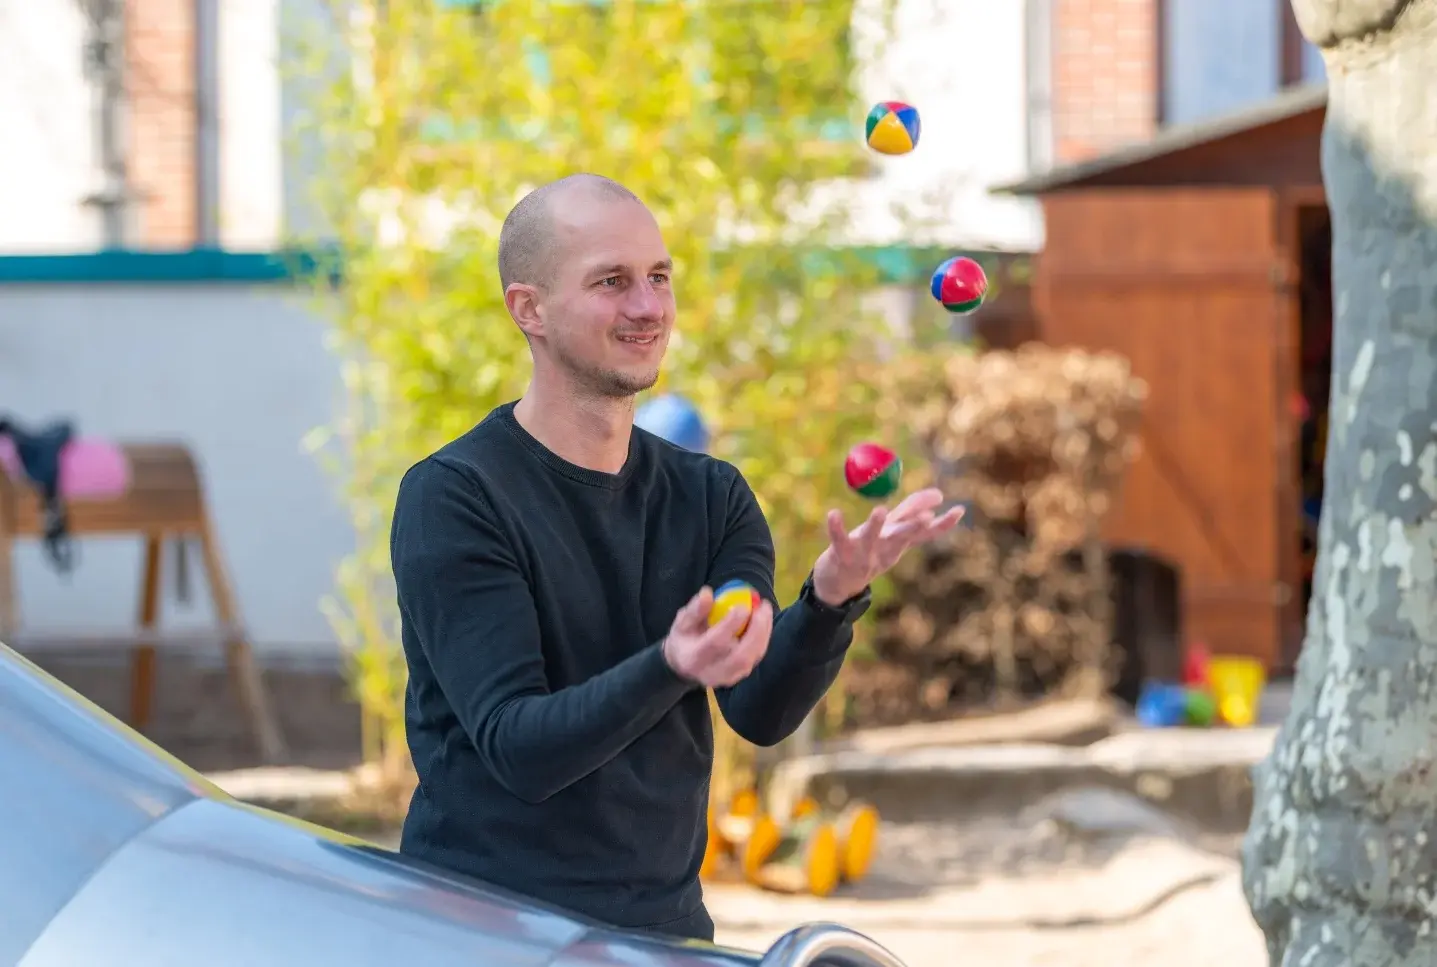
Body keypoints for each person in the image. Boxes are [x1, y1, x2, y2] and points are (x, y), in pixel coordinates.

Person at [389, 173, 962, 941]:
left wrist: (828, 599)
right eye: (611, 281)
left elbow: (757, 711)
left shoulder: (710, 494)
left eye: (658, 277)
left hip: (663, 932)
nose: (647, 306)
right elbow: (519, 749)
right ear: (529, 309)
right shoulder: (455, 497)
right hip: (485, 931)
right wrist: (672, 663)